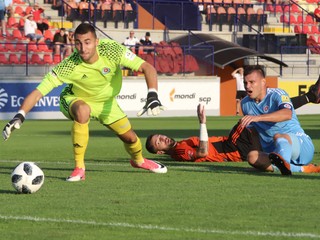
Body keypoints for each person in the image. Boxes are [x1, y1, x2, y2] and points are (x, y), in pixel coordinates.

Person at [2, 23, 167, 182]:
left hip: (106, 103)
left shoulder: (112, 50)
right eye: (78, 43)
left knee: (131, 139)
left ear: (96, 42)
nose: (83, 48)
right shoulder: (69, 65)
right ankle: (79, 168)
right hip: (74, 99)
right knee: (82, 110)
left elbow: (147, 67)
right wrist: (20, 115)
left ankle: (138, 161)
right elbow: (38, 92)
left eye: (87, 42)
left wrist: (152, 94)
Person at [145, 78, 320, 174]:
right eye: (159, 142)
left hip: (234, 144)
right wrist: (203, 123)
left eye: (160, 136)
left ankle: (309, 98)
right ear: (160, 151)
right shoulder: (180, 152)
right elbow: (203, 152)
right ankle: (310, 97)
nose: (163, 138)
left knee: (262, 113)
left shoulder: (179, 144)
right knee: (258, 114)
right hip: (233, 147)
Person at [240, 65, 316, 175]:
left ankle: (283, 165)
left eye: (252, 82)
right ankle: (302, 169)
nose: (248, 86)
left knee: (278, 136)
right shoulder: (245, 104)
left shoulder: (278, 94)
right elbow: (255, 133)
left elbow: (287, 114)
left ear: (263, 82)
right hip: (274, 152)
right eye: (245, 83)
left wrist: (258, 118)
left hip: (301, 146)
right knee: (252, 157)